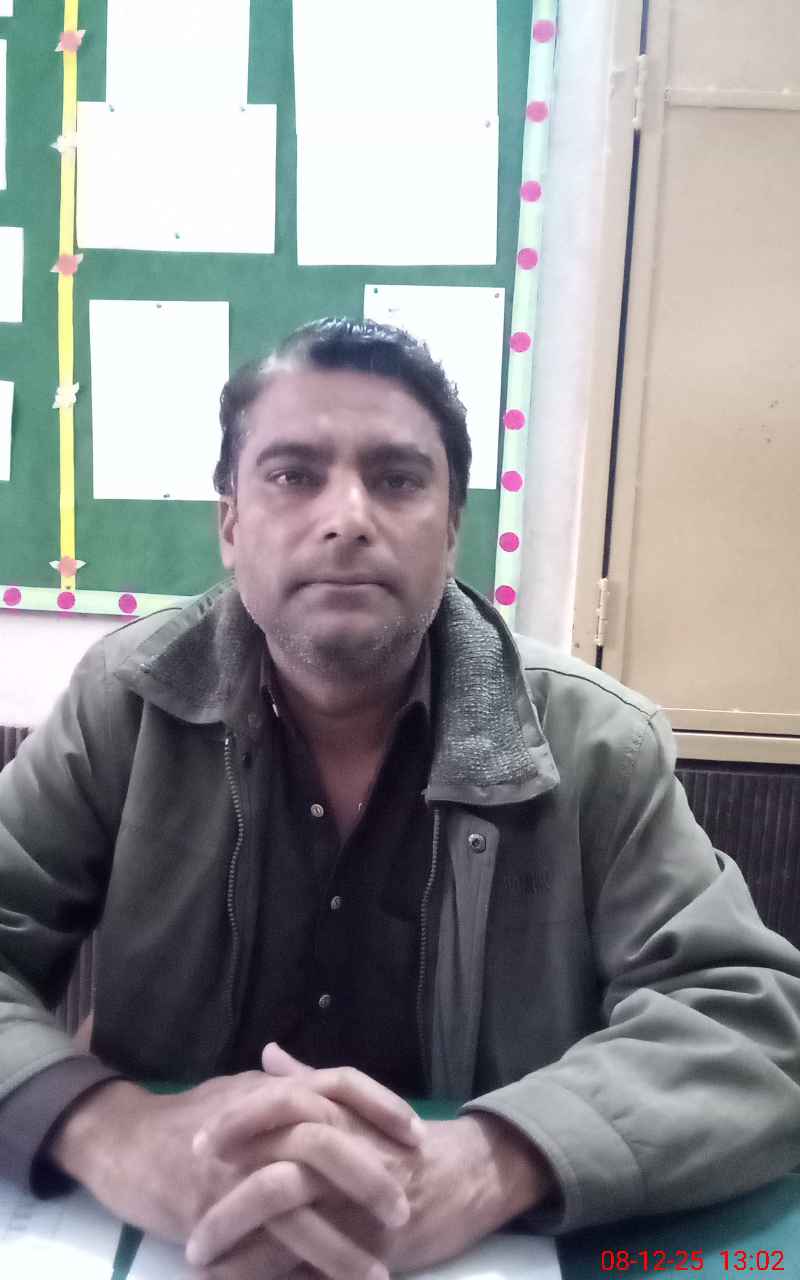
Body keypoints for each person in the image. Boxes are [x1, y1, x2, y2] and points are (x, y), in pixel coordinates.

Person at [1, 318, 799, 1280]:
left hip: (478, 1252)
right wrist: (110, 1128)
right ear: (231, 524)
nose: (347, 517)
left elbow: (751, 1021)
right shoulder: (129, 701)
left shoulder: (596, 745)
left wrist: (495, 1161)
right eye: (293, 474)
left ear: (451, 528)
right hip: (168, 1245)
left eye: (397, 479)